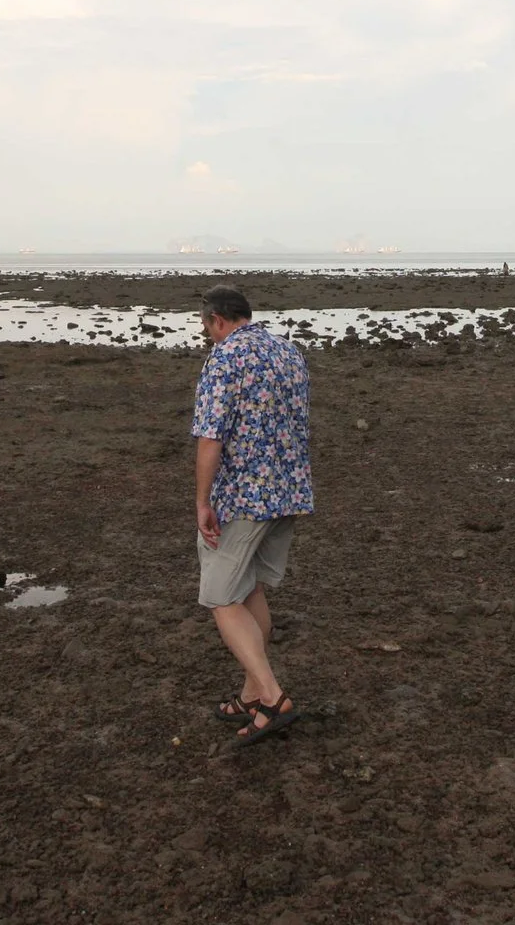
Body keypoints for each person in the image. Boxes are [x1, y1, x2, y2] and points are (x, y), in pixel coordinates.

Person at [190, 283, 313, 746]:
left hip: (244, 497)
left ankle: (272, 696)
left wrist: (204, 502)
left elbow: (210, 438)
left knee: (222, 598)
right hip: (289, 492)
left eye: (207, 329)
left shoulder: (225, 359)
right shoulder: (288, 352)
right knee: (249, 590)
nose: (208, 337)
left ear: (217, 320)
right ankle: (249, 695)